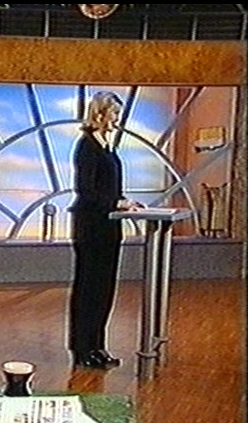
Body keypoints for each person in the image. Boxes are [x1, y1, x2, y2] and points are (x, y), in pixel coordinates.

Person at [67, 91, 144, 370]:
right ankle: (81, 349)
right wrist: (115, 202)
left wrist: (124, 201)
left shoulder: (108, 147)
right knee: (88, 289)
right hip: (91, 228)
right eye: (114, 113)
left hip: (109, 227)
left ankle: (98, 347)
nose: (117, 119)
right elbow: (85, 191)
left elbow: (109, 188)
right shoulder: (86, 146)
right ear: (100, 114)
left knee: (105, 289)